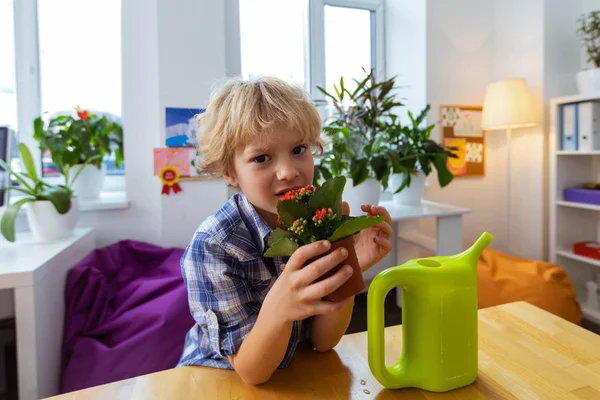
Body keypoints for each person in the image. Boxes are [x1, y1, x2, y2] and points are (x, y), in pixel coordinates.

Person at [177, 76, 393, 385]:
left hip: (290, 372)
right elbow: (252, 373)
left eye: (298, 149)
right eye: (261, 158)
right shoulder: (213, 245)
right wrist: (279, 308)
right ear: (229, 171)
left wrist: (348, 269)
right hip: (214, 380)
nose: (289, 172)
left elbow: (323, 342)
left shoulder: (315, 220)